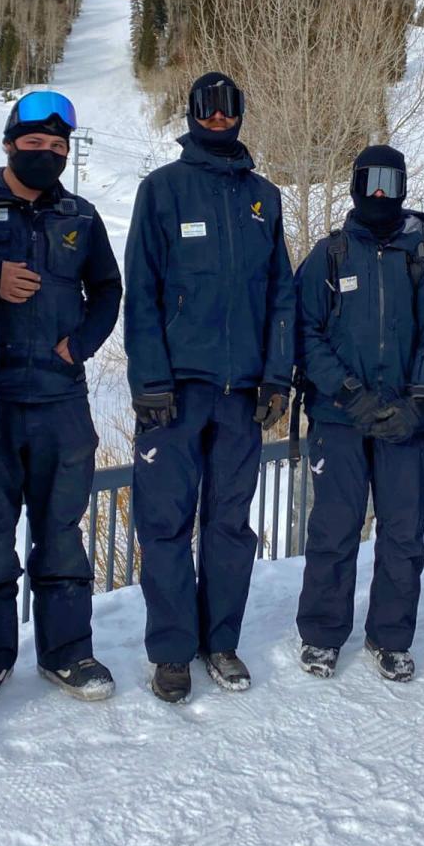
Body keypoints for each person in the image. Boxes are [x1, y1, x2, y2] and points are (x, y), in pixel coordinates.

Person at [123, 71, 295, 703]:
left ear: (241, 115)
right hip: (175, 393)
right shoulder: (162, 190)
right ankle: (172, 650)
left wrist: (278, 375)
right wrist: (149, 381)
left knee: (228, 525)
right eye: (207, 108)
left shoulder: (264, 198)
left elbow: (282, 294)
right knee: (165, 525)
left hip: (242, 395)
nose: (218, 118)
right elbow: (139, 291)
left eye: (228, 108)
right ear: (192, 114)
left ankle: (219, 642)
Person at [0, 91, 123, 708]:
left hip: (59, 403)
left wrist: (80, 345)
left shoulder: (79, 215)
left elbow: (108, 288)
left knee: (61, 533)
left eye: (58, 147)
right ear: (8, 143)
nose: (46, 154)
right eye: (34, 144)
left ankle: (68, 652)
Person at [293, 145, 424, 682]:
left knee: (403, 533)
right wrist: (348, 393)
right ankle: (322, 634)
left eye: (392, 181)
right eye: (373, 180)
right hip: (341, 418)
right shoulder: (331, 254)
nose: (382, 193)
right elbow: (306, 333)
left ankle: (390, 635)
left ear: (405, 185)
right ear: (356, 184)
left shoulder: (422, 260)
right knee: (335, 528)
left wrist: (418, 397)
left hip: (404, 422)